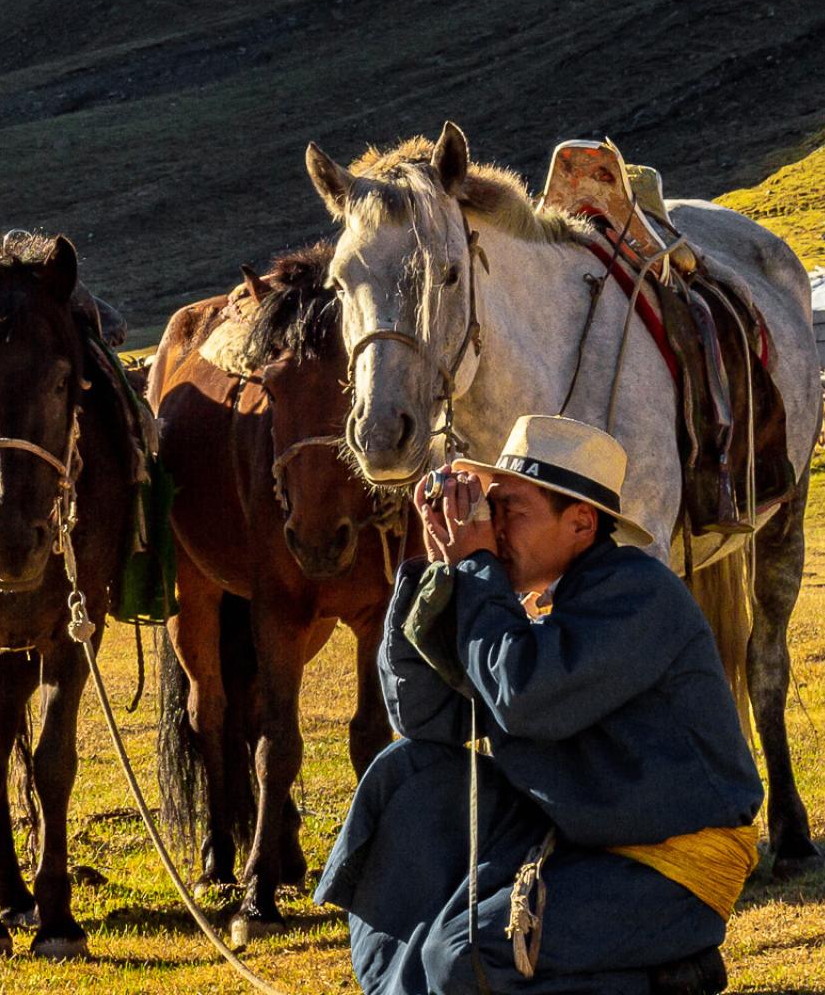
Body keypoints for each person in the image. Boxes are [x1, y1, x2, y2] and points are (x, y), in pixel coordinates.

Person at [314, 415, 764, 995]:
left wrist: (477, 570)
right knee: (408, 775)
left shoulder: (639, 593)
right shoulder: (532, 606)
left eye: (510, 511)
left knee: (464, 959)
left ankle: (662, 980)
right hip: (580, 833)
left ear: (580, 522)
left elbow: (525, 697)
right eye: (488, 508)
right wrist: (443, 575)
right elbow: (422, 717)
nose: (491, 528)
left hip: (666, 869)